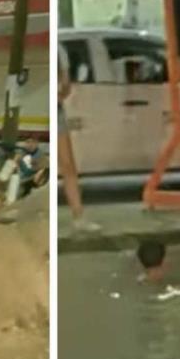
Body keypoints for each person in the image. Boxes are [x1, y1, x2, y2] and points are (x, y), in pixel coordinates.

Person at [58, 44, 101, 231]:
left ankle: (78, 216)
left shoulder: (59, 50)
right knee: (67, 166)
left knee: (67, 166)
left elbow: (65, 88)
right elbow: (65, 88)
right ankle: (78, 217)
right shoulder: (59, 50)